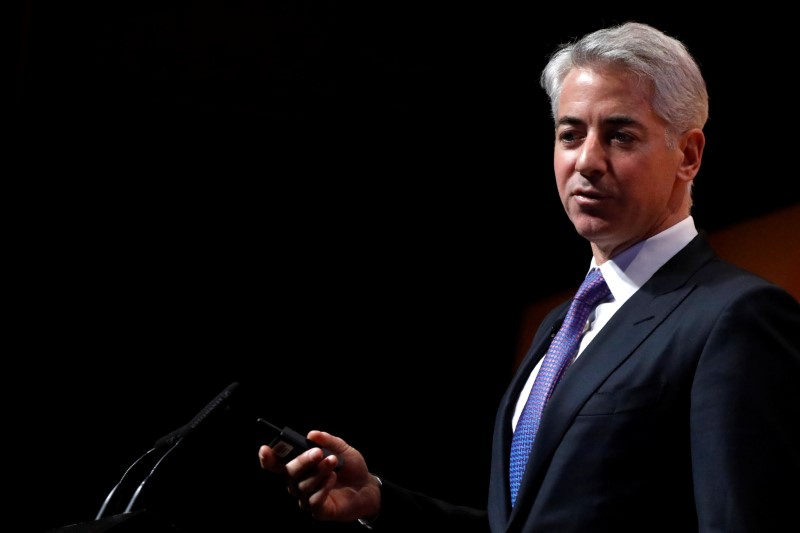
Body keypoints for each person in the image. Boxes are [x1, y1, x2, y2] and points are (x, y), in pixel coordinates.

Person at [258, 21, 800, 532]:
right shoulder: (560, 326)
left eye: (620, 136)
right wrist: (380, 502)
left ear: (688, 154)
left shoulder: (735, 316)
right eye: (570, 134)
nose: (586, 160)